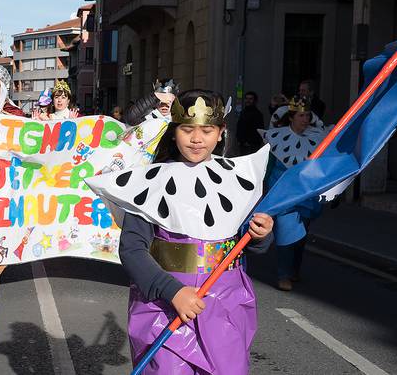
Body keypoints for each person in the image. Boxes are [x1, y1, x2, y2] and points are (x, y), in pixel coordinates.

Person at [89, 90, 274, 374]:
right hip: (164, 309)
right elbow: (132, 249)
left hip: (227, 307)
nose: (197, 139)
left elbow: (252, 242)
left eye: (207, 130)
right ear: (174, 132)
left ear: (221, 132)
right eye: (187, 129)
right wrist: (172, 292)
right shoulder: (150, 183)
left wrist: (261, 235)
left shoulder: (239, 182)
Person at [261, 97, 326, 291]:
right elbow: (268, 166)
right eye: (301, 115)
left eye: (307, 115)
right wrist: (263, 190)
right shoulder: (276, 137)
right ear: (291, 117)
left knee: (300, 236)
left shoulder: (316, 138)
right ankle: (283, 275)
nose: (305, 119)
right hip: (283, 194)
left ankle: (294, 269)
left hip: (306, 194)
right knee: (285, 232)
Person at [235, 91, 264, 156]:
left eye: (250, 99)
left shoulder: (257, 114)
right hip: (242, 144)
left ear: (255, 101)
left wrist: (249, 142)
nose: (248, 100)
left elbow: (258, 130)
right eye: (246, 98)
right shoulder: (243, 112)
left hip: (251, 145)